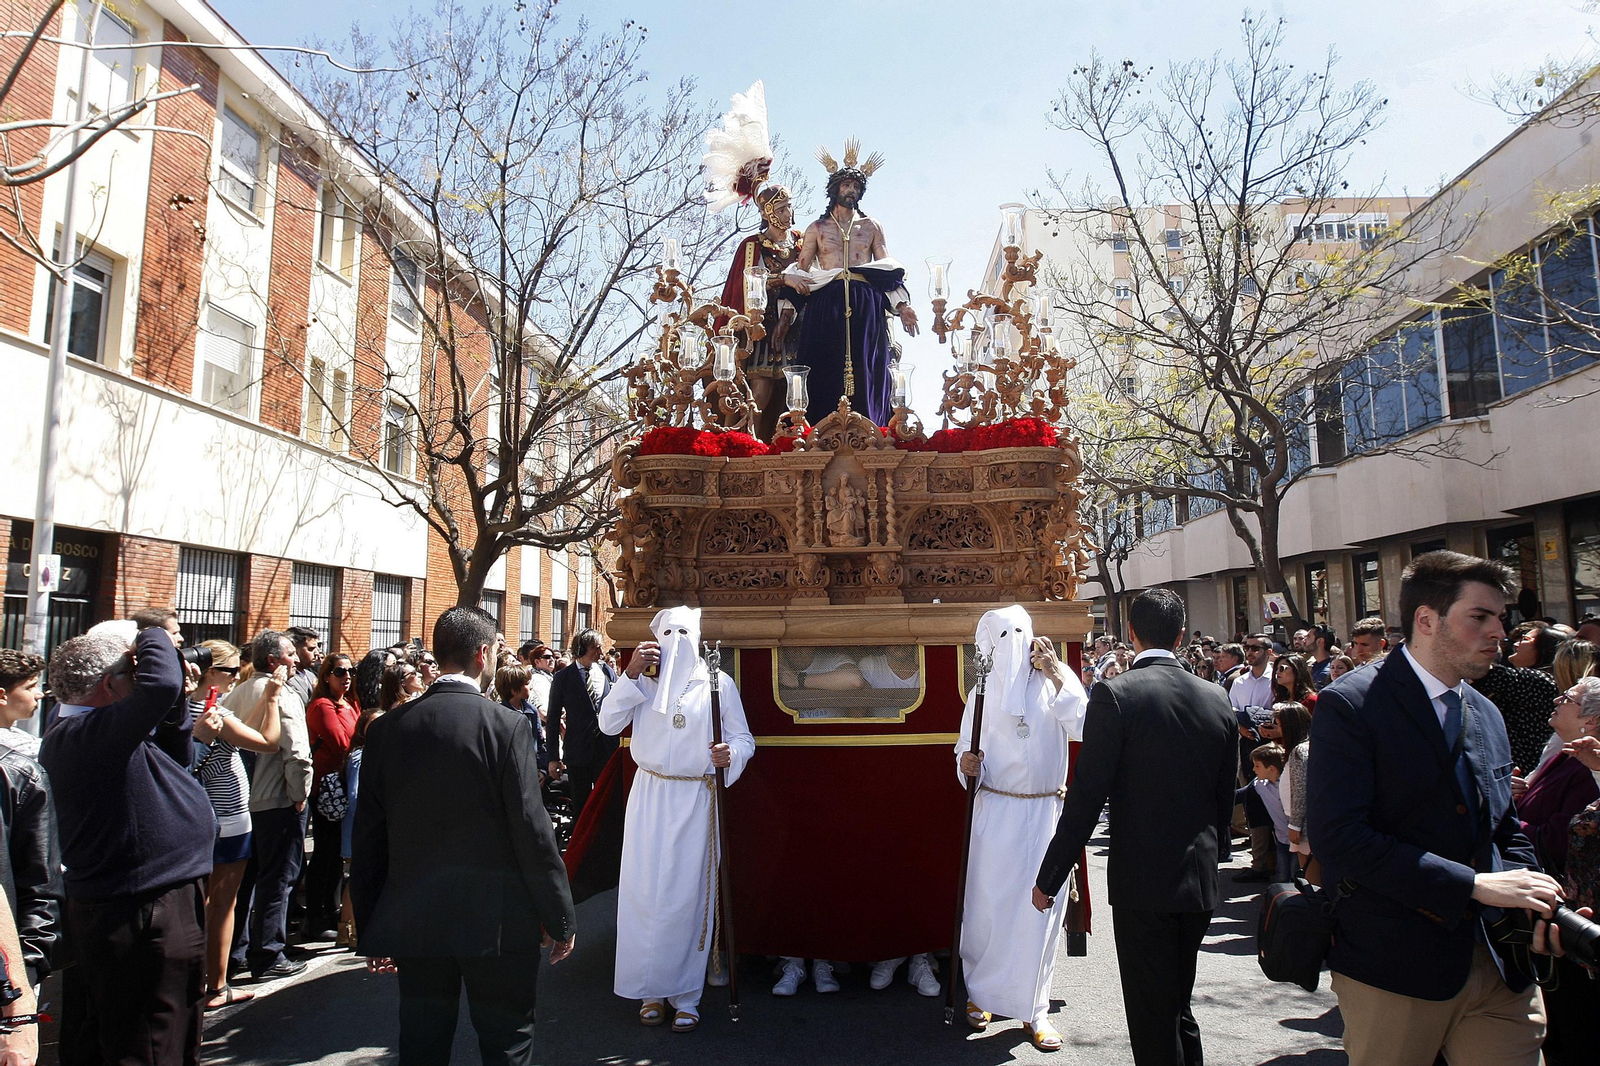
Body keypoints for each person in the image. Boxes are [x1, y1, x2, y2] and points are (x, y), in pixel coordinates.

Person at [1307, 551, 1566, 1066]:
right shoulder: (1352, 705)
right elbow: (1340, 837)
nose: (1499, 632)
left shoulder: (1487, 713)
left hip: (1500, 967)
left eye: (1502, 618)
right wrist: (1470, 886)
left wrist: (1536, 898)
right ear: (1426, 619)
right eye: (1480, 617)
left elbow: (1504, 829)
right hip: (1396, 966)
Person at [352, 607, 575, 1066]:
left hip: (416, 920)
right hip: (496, 923)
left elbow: (369, 839)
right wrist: (559, 917)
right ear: (484, 653)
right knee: (507, 1042)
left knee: (422, 1043)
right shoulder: (505, 726)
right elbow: (532, 831)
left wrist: (375, 928)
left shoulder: (388, 729)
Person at [1035, 589, 1236, 1066]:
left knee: (1151, 1012)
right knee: (1178, 1002)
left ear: (1131, 633)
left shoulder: (1116, 693)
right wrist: (1218, 854)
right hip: (1200, 877)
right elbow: (1224, 795)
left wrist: (1050, 876)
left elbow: (1087, 796)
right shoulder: (1217, 695)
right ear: (1181, 635)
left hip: (1143, 881)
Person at [41, 624, 213, 1066]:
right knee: (150, 1037)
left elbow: (177, 754)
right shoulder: (85, 735)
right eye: (131, 672)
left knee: (173, 1025)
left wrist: (174, 699)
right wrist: (152, 633)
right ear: (108, 685)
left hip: (153, 896)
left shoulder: (91, 728)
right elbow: (161, 684)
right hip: (141, 908)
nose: (138, 680)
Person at [599, 606, 754, 1033]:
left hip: (694, 798)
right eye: (668, 631)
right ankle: (649, 990)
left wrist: (731, 755)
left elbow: (743, 738)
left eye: (685, 631)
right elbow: (609, 723)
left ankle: (686, 996)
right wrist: (629, 675)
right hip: (649, 795)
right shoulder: (642, 683)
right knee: (645, 893)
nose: (676, 639)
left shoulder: (717, 684)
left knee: (689, 896)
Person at [954, 606, 1088, 1049]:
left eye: (1018, 634)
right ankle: (982, 995)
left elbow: (1083, 722)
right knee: (989, 908)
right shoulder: (981, 694)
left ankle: (1036, 1008)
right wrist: (966, 765)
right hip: (996, 810)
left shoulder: (1056, 680)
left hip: (1045, 812)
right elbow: (963, 753)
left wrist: (1055, 673)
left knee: (1040, 914)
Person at [784, 142, 918, 427]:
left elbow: (887, 269)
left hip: (865, 302)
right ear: (835, 189)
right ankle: (820, 429)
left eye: (857, 186)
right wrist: (786, 304)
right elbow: (801, 271)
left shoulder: (871, 226)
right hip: (827, 301)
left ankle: (871, 429)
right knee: (824, 363)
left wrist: (903, 306)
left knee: (868, 365)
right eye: (846, 185)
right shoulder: (817, 229)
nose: (852, 191)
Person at [188, 640, 284, 1009]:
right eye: (229, 671)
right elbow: (267, 741)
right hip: (227, 815)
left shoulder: (194, 709)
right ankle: (216, 985)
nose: (235, 677)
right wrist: (273, 699)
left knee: (208, 902)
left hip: (207, 814)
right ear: (209, 672)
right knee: (221, 906)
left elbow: (243, 729)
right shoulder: (211, 712)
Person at [222, 630, 311, 980]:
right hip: (276, 800)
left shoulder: (236, 693)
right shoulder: (282, 695)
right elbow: (297, 752)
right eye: (290, 654)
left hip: (241, 803)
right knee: (278, 878)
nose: (295, 660)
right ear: (272, 661)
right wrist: (299, 794)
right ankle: (269, 953)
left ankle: (237, 949)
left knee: (244, 881)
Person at [717, 182, 806, 441]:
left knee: (799, 387)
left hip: (798, 324)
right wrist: (783, 279)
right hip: (763, 326)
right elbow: (748, 283)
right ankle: (749, 440)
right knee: (760, 387)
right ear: (767, 213)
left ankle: (796, 441)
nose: (788, 212)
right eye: (781, 208)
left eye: (789, 206)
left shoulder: (801, 243)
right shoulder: (753, 246)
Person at [0, 649, 61, 995]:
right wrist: (31, 962)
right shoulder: (26, 762)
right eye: (31, 685)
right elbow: (40, 875)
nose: (40, 693)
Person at [304, 654, 360, 943]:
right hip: (326, 789)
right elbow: (342, 742)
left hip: (344, 783)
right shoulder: (321, 706)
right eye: (340, 671)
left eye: (351, 671)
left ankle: (333, 909)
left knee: (338, 854)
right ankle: (315, 917)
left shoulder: (349, 704)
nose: (347, 676)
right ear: (327, 675)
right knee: (325, 854)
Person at [547, 629, 615, 821]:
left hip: (606, 748)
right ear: (582, 648)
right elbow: (552, 718)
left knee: (607, 803)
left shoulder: (606, 672)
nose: (601, 652)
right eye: (596, 648)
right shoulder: (563, 678)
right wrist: (553, 757)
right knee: (581, 806)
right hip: (578, 752)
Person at [1473, 645, 1558, 782]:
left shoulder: (1536, 682)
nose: (1516, 644)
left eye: (1526, 639)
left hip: (1521, 774)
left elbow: (1497, 677)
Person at [1230, 634, 1276, 882]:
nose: (1250, 652)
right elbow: (1233, 710)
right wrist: (1241, 727)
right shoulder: (1240, 682)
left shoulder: (1275, 679)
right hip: (1248, 744)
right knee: (1254, 799)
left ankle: (1277, 860)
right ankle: (1259, 860)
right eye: (1247, 648)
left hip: (1272, 744)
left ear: (1268, 651)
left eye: (1256, 648)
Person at [1269, 701, 1314, 879]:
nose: (1277, 729)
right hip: (1301, 821)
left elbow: (1300, 790)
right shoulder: (1301, 748)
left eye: (1280, 725)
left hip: (1303, 826)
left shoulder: (1299, 751)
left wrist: (1295, 825)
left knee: (1309, 874)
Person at [1235, 743, 1291, 882]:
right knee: (1283, 878)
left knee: (1297, 876)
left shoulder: (1289, 786)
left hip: (1297, 840)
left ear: (1271, 768)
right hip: (1282, 840)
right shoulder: (1259, 785)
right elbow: (1240, 795)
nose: (1253, 769)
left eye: (1257, 766)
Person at [284, 627, 321, 706]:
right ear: (294, 649)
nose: (317, 653)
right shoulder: (285, 678)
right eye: (310, 649)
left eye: (317, 648)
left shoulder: (311, 676)